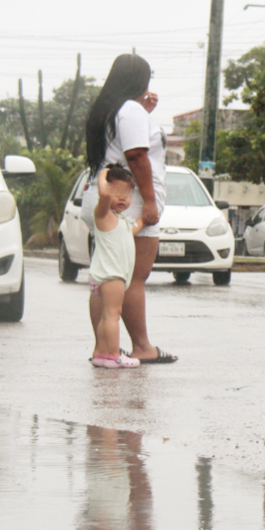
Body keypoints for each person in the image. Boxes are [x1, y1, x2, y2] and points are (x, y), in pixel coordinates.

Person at [82, 53, 178, 364]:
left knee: (106, 278)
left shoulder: (112, 110)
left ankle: (103, 348)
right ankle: (141, 347)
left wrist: (145, 112)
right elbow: (136, 156)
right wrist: (150, 201)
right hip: (128, 202)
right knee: (134, 278)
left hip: (104, 199)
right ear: (141, 80)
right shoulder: (130, 111)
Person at [88, 166, 143, 369]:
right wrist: (103, 173)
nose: (121, 198)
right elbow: (103, 194)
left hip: (107, 274)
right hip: (112, 275)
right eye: (116, 193)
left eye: (126, 194)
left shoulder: (120, 221)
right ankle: (114, 354)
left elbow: (133, 229)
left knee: (106, 315)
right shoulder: (103, 215)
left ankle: (101, 353)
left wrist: (144, 219)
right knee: (113, 315)